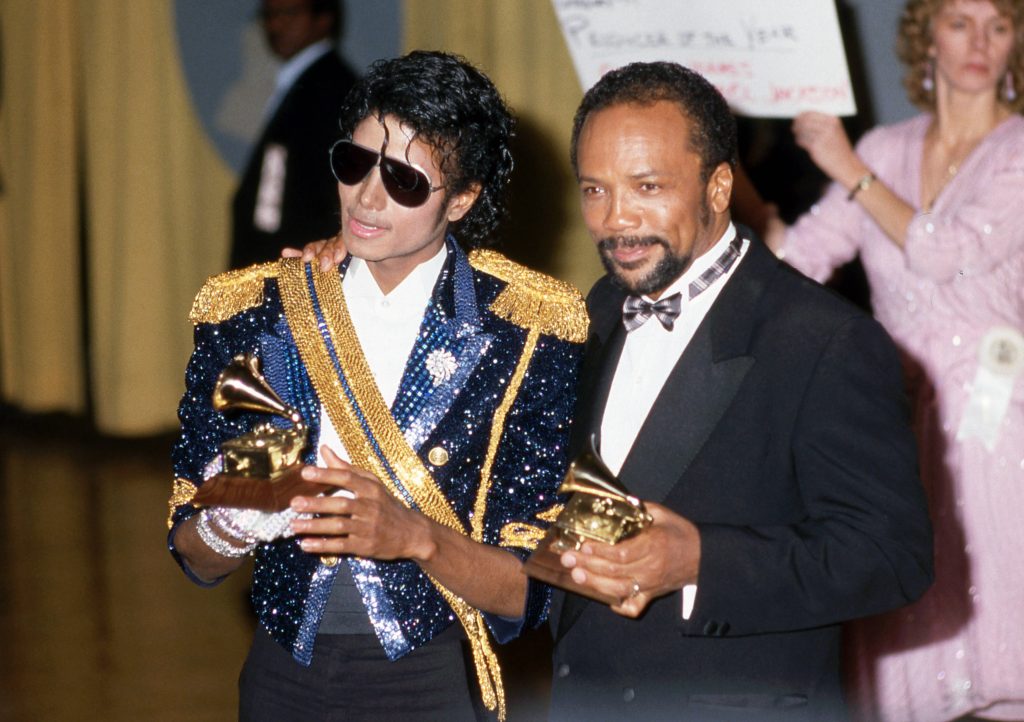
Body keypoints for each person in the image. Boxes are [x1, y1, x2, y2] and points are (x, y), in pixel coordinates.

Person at [167, 50, 587, 721]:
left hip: (434, 676)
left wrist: (418, 537)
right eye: (355, 163)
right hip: (281, 672)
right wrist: (232, 519)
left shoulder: (527, 330)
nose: (366, 197)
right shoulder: (256, 311)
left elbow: (539, 588)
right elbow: (192, 553)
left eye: (405, 181)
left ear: (463, 198)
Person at [543, 61, 933, 721]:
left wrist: (701, 562)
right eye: (595, 190)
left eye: (647, 186)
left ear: (719, 186)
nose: (615, 219)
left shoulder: (824, 339)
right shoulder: (599, 308)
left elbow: (893, 556)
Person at [765, 1, 1024, 719]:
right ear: (926, 36)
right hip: (896, 426)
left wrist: (848, 168)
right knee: (912, 647)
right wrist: (731, 183)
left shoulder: (1018, 151)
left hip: (1000, 422)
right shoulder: (885, 148)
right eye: (960, 22)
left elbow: (948, 253)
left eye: (999, 25)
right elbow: (799, 259)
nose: (979, 41)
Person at [228, 0, 358, 269]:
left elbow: (297, 197)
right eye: (269, 15)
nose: (275, 25)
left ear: (323, 18)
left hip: (296, 263)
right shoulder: (308, 83)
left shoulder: (329, 90)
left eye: (289, 13)